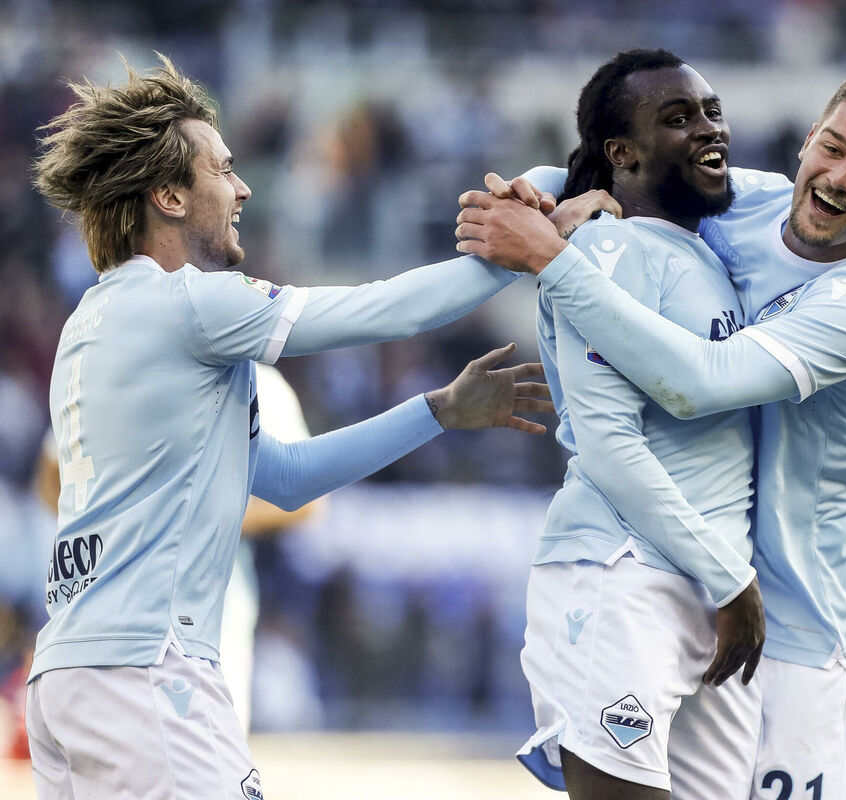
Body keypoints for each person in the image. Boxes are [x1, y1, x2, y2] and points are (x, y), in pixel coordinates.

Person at [26, 54, 552, 799]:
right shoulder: (189, 305)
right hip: (148, 668)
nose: (243, 188)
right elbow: (390, 309)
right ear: (169, 196)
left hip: (70, 670)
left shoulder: (91, 320)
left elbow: (284, 477)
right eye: (222, 170)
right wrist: (537, 225)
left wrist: (437, 411)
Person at [457, 60, 846, 799]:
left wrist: (553, 258)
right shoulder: (751, 201)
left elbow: (697, 383)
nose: (841, 178)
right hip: (707, 589)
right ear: (809, 138)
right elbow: (637, 163)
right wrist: (544, 189)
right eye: (834, 148)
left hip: (808, 632)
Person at [512, 49, 764, 800]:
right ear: (621, 153)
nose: (708, 128)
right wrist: (731, 581)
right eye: (677, 118)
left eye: (713, 111)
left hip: (708, 586)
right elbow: (608, 444)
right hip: (623, 575)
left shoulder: (708, 252)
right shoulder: (608, 248)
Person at [31, 363, 323, 734]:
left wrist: (203, 516)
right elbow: (51, 473)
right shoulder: (119, 365)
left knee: (212, 739)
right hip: (114, 592)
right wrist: (110, 522)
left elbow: (308, 498)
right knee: (115, 741)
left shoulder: (256, 381)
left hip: (211, 598)